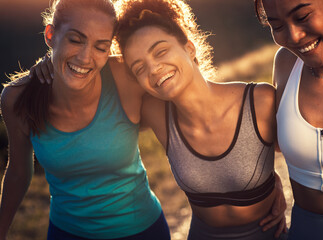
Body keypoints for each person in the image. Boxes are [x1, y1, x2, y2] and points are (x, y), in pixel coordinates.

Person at [114, 0, 288, 239]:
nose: (153, 69)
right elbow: (98, 68)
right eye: (139, 67)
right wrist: (50, 65)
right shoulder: (155, 114)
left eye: (161, 51)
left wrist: (269, 181)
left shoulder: (259, 101)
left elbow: (306, 157)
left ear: (189, 47)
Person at [0, 0, 171, 239]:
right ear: (50, 34)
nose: (85, 57)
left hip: (142, 230)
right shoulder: (17, 98)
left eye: (100, 47)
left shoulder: (124, 76)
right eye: (75, 40)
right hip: (67, 233)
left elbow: (172, 82)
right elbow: (18, 172)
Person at [254, 0, 323, 239]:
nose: (294, 35)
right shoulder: (286, 63)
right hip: (304, 230)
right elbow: (276, 142)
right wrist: (269, 183)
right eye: (277, 25)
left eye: (302, 17)